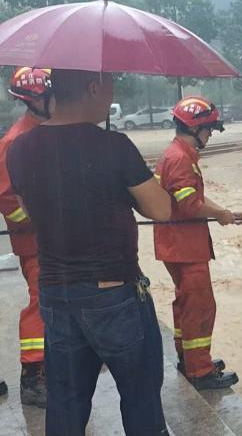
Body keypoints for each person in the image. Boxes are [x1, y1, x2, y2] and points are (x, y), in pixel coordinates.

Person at [6, 69, 171, 434]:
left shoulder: (19, 149)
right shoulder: (114, 146)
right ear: (93, 87)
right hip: (114, 296)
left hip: (56, 293)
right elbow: (162, 209)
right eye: (110, 84)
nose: (111, 93)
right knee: (141, 397)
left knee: (65, 401)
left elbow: (29, 210)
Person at [154, 96, 242, 390]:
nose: (211, 134)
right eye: (209, 129)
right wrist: (219, 214)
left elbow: (192, 199)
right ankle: (199, 370)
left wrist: (225, 213)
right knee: (200, 306)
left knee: (187, 303)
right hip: (184, 247)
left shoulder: (179, 154)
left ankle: (189, 358)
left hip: (178, 244)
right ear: (195, 127)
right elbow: (189, 205)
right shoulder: (180, 159)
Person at [0, 68, 55, 408]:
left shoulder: (46, 133)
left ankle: (50, 366)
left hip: (55, 237)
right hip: (36, 242)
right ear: (36, 99)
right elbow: (7, 198)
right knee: (41, 301)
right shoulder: (15, 141)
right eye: (53, 95)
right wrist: (37, 224)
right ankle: (32, 378)